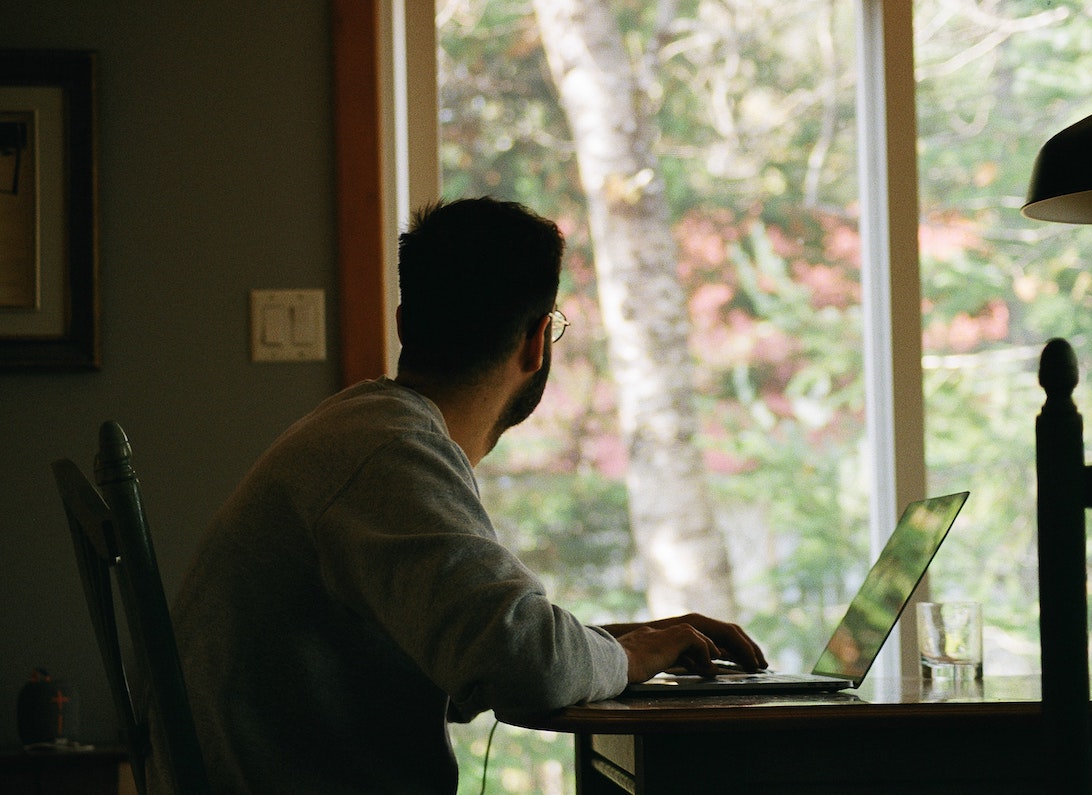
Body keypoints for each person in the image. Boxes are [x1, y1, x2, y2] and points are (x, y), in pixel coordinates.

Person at [148, 197, 766, 794]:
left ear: (402, 324)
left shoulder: (361, 432)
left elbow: (487, 644)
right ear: (537, 342)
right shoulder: (388, 451)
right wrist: (625, 660)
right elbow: (526, 664)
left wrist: (617, 646)